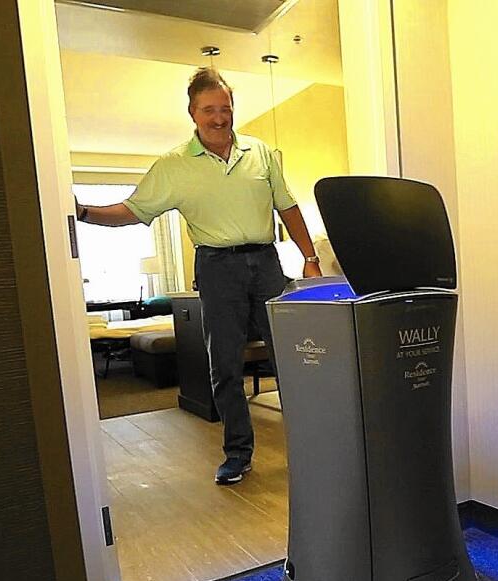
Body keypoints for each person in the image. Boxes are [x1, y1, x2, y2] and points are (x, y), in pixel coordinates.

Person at [75, 67, 322, 485]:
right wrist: (82, 213)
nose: (219, 117)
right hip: (216, 267)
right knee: (224, 365)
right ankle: (238, 453)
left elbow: (288, 207)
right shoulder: (173, 165)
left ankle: (311, 448)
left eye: (225, 108)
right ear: (193, 113)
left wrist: (310, 257)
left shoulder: (261, 153)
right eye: (209, 110)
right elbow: (133, 211)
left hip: (265, 263)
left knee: (293, 358)